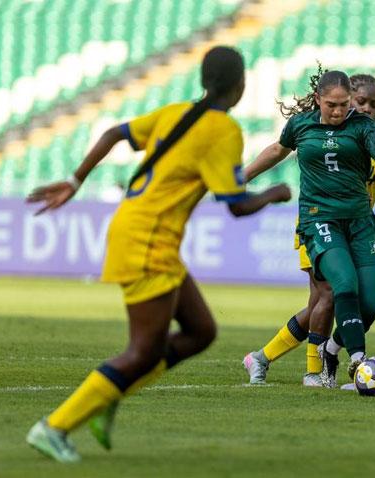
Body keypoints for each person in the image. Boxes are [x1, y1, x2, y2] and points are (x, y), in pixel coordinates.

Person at [24, 46, 291, 463]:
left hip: (139, 230)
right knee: (142, 352)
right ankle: (53, 426)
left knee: (201, 331)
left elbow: (115, 133)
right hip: (148, 240)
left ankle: (114, 389)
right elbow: (236, 205)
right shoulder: (223, 130)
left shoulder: (175, 113)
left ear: (206, 81)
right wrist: (275, 192)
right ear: (240, 86)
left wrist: (76, 180)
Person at [242, 73, 375, 387]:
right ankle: (335, 366)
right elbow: (275, 151)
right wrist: (240, 177)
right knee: (333, 291)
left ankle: (273, 356)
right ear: (318, 101)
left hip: (358, 223)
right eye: (332, 105)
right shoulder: (301, 126)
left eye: (344, 105)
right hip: (318, 220)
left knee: (353, 303)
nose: (339, 111)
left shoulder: (366, 129)